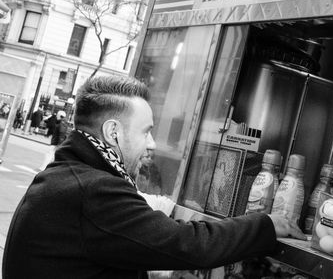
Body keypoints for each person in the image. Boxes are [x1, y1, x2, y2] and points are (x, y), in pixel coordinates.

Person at [3, 75, 305, 279]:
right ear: (113, 133)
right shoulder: (92, 190)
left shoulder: (70, 176)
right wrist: (265, 224)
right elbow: (189, 245)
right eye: (146, 131)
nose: (153, 144)